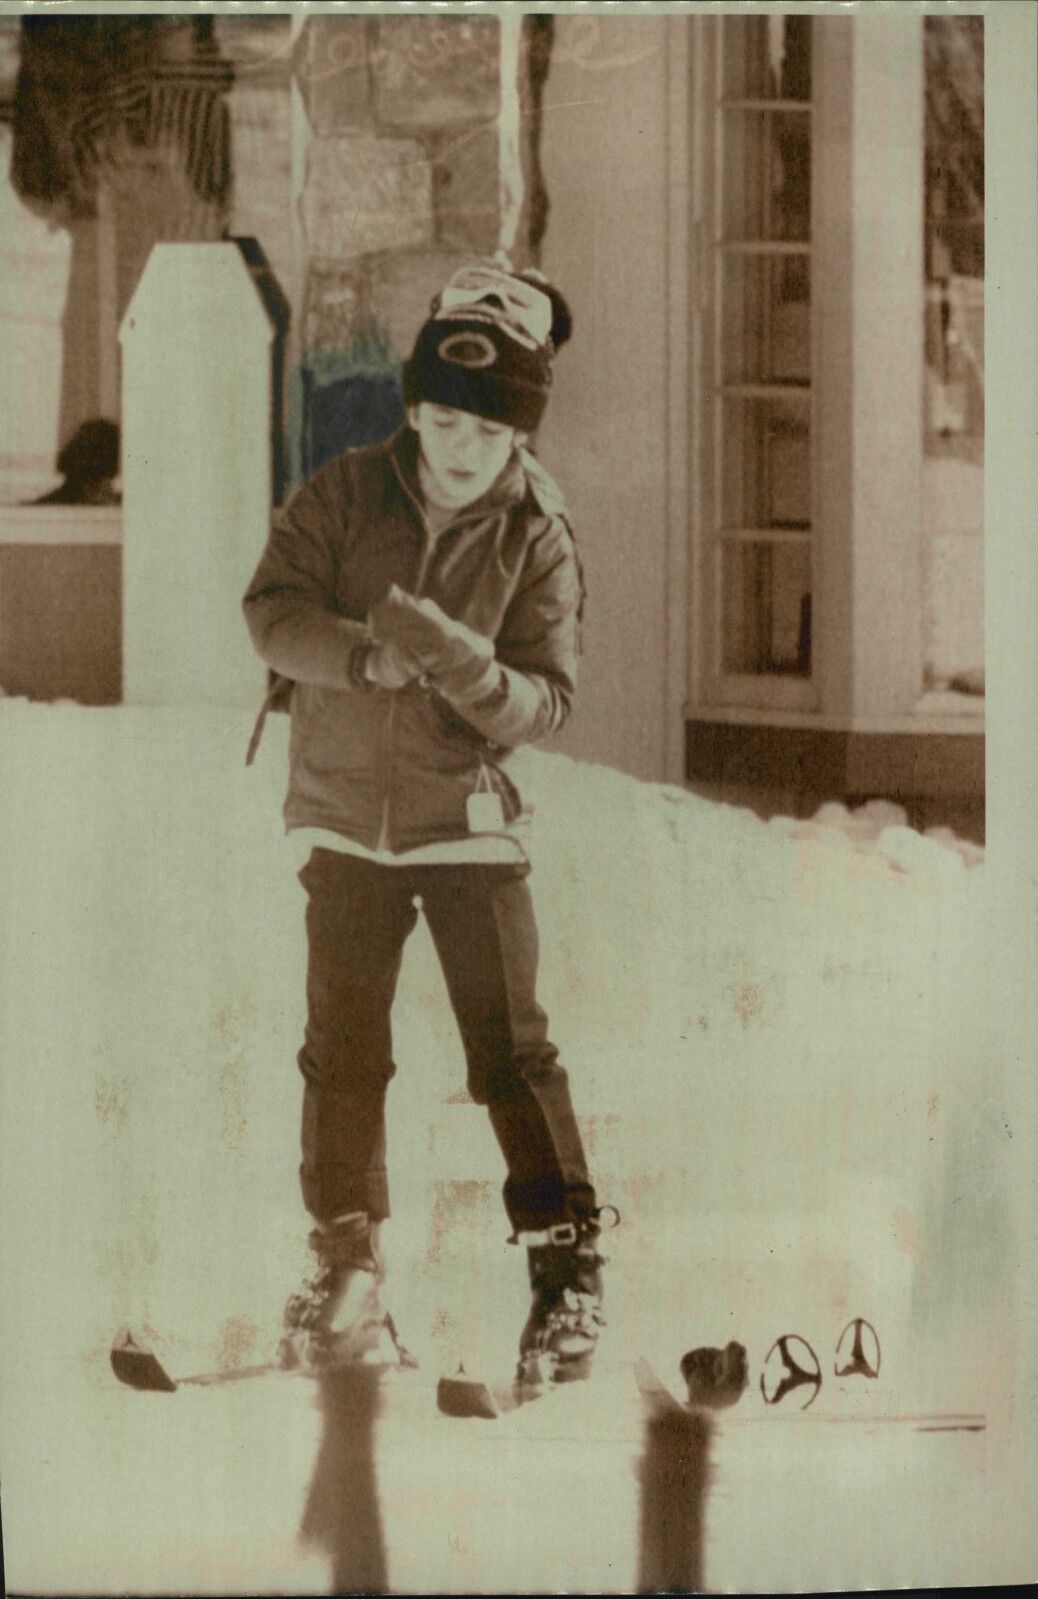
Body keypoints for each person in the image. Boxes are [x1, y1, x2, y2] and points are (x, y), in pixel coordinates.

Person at [242, 261, 617, 1387]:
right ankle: (345, 1272)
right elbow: (271, 610)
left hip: (468, 824)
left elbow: (547, 699)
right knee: (343, 1053)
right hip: (347, 821)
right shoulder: (344, 492)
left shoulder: (539, 536)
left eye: (486, 429)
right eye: (442, 419)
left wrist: (467, 672)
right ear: (413, 409)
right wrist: (361, 654)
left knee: (510, 1053)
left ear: (521, 432)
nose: (459, 447)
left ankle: (567, 1279)